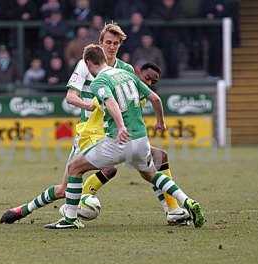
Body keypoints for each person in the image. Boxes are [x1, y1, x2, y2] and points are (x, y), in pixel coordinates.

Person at [0, 23, 190, 226]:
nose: (111, 46)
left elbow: (135, 101)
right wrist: (88, 105)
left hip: (115, 133)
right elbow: (70, 97)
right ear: (100, 43)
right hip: (88, 133)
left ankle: (173, 210)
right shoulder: (86, 64)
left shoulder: (124, 69)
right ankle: (29, 209)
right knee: (70, 186)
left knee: (159, 158)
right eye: (108, 42)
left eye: (116, 43)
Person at [44, 44, 205, 229]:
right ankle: (187, 201)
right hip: (142, 140)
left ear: (88, 63)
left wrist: (120, 126)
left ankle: (70, 219)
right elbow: (156, 99)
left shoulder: (99, 81)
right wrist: (160, 122)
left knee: (74, 167)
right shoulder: (127, 74)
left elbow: (110, 102)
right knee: (152, 174)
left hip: (119, 141)